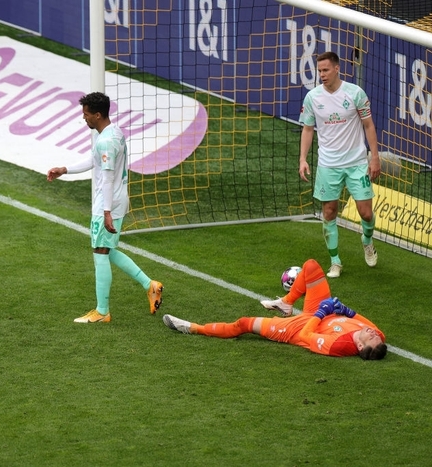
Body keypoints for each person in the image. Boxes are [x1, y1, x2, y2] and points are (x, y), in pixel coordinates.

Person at [47, 92, 163, 323]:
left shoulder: (106, 141)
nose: (84, 119)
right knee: (106, 249)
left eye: (87, 115)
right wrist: (65, 169)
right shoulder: (114, 132)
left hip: (108, 202)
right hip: (115, 199)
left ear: (97, 115)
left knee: (100, 253)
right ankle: (150, 285)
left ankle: (102, 312)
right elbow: (95, 160)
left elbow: (108, 178)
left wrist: (106, 212)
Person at [163, 259, 387, 359]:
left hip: (296, 328)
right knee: (310, 267)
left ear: (359, 346)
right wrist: (346, 311)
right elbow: (364, 322)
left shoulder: (337, 345)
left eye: (371, 338)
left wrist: (321, 313)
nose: (373, 333)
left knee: (244, 324)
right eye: (375, 335)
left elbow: (308, 336)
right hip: (325, 312)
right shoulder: (378, 335)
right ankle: (287, 302)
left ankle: (194, 328)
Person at [299, 51, 381, 278]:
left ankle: (367, 239)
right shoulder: (312, 98)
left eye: (325, 70)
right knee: (329, 211)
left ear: (337, 68)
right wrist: (303, 159)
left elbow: (368, 126)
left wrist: (374, 157)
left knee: (366, 214)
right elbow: (307, 129)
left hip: (356, 163)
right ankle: (335, 261)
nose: (322, 75)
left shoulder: (355, 93)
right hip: (328, 165)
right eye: (320, 71)